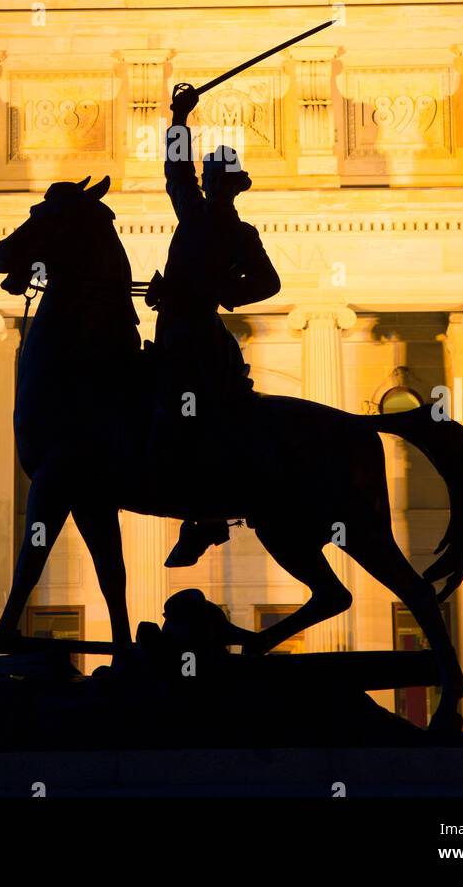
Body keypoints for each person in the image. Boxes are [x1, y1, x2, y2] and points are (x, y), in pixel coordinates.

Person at [150, 82, 280, 567]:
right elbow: (175, 170)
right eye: (207, 176)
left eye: (214, 178)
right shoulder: (196, 213)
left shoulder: (233, 231)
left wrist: (222, 294)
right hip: (175, 326)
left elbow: (269, 283)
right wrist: (178, 120)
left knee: (189, 411)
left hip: (198, 337)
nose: (205, 182)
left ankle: (204, 516)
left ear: (229, 185)